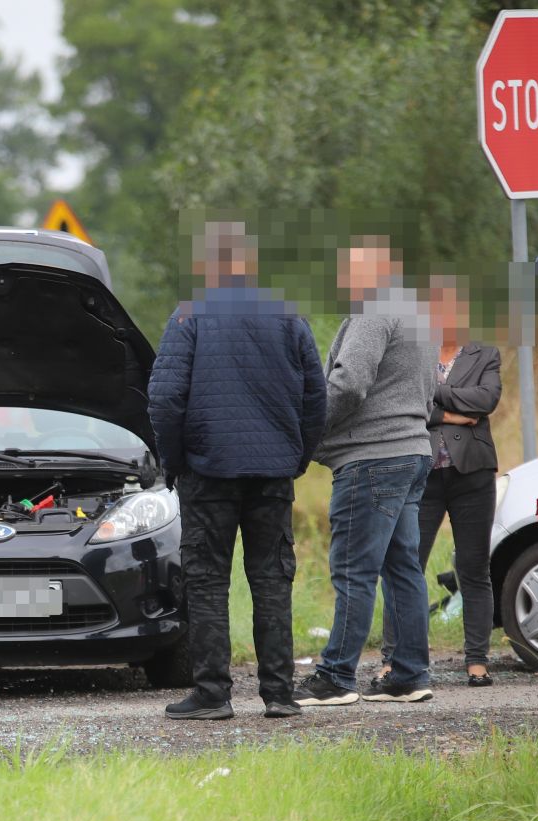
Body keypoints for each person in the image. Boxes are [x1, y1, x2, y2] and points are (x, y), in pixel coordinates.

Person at [148, 220, 327, 720]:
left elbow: (164, 398)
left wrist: (175, 460)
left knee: (206, 581)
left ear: (207, 265)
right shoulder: (289, 317)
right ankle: (279, 694)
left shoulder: (189, 316)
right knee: (272, 579)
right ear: (249, 264)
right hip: (272, 473)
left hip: (207, 472)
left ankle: (212, 694)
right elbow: (317, 398)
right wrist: (297, 456)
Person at [293, 236, 436, 706]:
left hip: (372, 458)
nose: (344, 278)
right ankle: (410, 674)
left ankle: (336, 675)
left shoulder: (374, 310)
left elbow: (349, 383)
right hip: (413, 451)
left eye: (351, 269)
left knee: (354, 570)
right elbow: (432, 387)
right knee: (403, 569)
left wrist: (306, 430)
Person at [380, 274, 501, 686]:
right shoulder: (414, 350)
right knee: (405, 564)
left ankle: (478, 660)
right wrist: (451, 413)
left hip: (473, 474)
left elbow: (487, 401)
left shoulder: (486, 353)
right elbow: (403, 400)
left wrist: (435, 394)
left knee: (473, 567)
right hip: (422, 473)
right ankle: (395, 658)